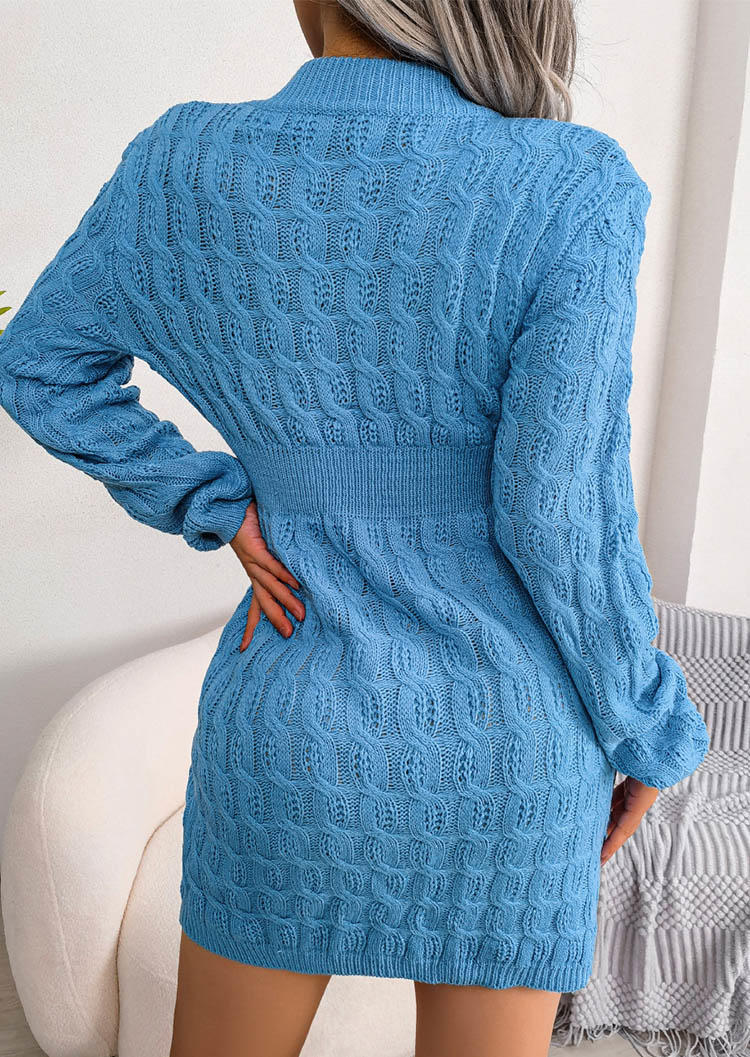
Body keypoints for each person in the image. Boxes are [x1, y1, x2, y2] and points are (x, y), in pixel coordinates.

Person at [0, 1, 710, 1055]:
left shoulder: (183, 165)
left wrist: (217, 503)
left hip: (293, 728)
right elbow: (558, 511)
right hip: (506, 751)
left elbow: (39, 363)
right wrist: (647, 721)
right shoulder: (572, 184)